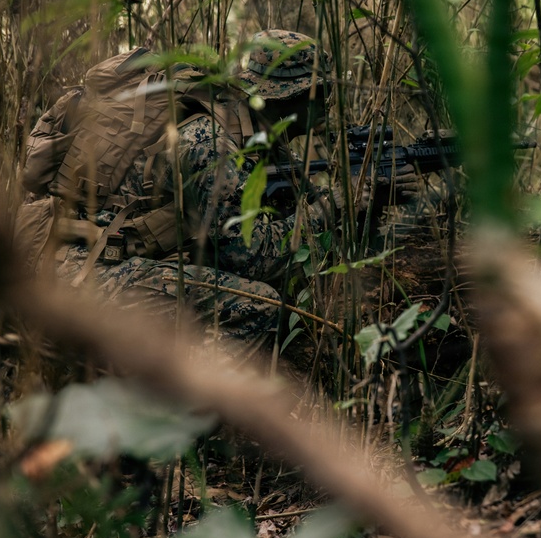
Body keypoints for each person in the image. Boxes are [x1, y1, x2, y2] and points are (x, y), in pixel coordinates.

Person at [24, 30, 414, 348]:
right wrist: (337, 204)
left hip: (125, 258)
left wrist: (369, 199)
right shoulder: (209, 141)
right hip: (85, 268)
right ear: (292, 97)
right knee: (260, 306)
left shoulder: (258, 134)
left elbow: (301, 220)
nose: (328, 102)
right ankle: (181, 409)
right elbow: (255, 258)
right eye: (320, 92)